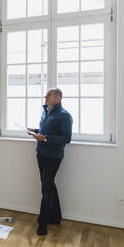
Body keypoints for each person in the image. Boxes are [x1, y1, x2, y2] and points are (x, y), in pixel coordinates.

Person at [27, 88, 73, 236]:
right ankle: (55, 217)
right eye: (46, 94)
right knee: (49, 185)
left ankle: (43, 223)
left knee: (46, 188)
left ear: (58, 98)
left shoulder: (64, 116)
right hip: (41, 153)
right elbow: (46, 130)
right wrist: (35, 130)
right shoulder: (46, 111)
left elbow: (66, 138)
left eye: (49, 95)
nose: (45, 96)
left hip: (53, 156)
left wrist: (45, 138)